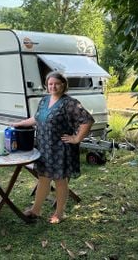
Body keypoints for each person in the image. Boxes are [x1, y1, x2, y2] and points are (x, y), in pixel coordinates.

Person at [11, 71, 94, 224]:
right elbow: (37, 118)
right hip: (43, 148)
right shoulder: (44, 100)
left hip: (59, 149)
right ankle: (35, 210)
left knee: (60, 181)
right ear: (46, 85)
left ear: (63, 85)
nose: (53, 86)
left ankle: (60, 213)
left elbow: (87, 120)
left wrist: (76, 138)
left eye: (56, 83)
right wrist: (20, 124)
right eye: (50, 84)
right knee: (43, 179)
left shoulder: (70, 103)